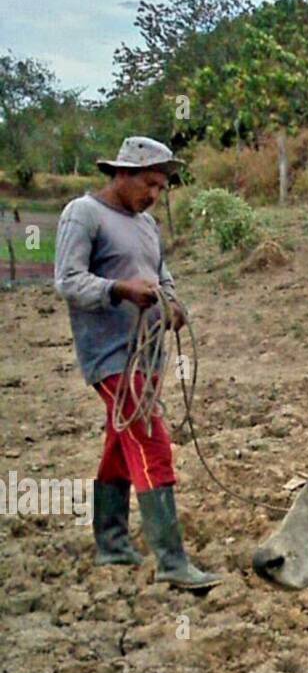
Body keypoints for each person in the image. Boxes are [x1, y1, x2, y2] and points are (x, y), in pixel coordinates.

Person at [54, 136, 221, 589]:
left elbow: (160, 276)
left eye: (161, 188)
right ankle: (171, 560)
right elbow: (68, 281)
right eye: (149, 184)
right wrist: (121, 290)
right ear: (123, 175)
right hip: (110, 355)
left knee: (120, 440)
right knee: (150, 442)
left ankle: (111, 544)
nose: (154, 195)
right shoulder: (83, 214)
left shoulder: (147, 226)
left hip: (146, 351)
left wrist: (172, 303)